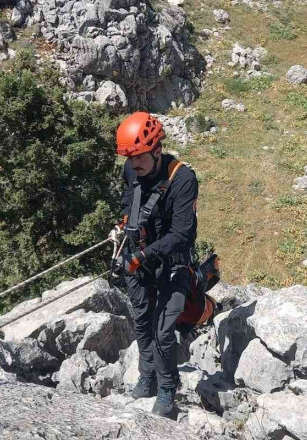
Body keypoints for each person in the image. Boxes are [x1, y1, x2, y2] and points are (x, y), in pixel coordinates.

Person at [110, 111, 198, 418]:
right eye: (130, 159)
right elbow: (127, 200)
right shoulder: (132, 168)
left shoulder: (182, 179)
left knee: (163, 330)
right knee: (143, 319)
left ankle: (166, 388)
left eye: (140, 158)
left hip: (172, 262)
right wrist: (122, 227)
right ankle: (146, 377)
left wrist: (143, 256)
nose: (134, 166)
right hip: (140, 258)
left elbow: (182, 233)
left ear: (157, 150)